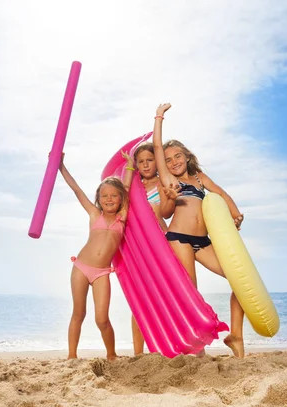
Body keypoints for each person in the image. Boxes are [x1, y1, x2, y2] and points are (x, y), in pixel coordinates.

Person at [152, 103, 246, 358]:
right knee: (190, 291)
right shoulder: (171, 181)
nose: (173, 162)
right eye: (169, 160)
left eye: (178, 156)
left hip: (203, 241)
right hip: (179, 239)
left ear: (187, 156)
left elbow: (222, 194)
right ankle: (197, 347)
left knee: (240, 281)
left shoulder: (200, 178)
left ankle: (235, 335)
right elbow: (157, 148)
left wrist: (236, 215)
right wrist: (159, 117)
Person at [58, 152, 134, 360]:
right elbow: (76, 190)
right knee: (78, 313)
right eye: (104, 196)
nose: (109, 199)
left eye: (114, 195)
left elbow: (126, 189)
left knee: (102, 319)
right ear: (99, 199)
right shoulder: (94, 214)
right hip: (81, 268)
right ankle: (72, 356)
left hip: (102, 272)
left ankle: (112, 355)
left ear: (120, 199)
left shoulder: (122, 217)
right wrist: (61, 166)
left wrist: (129, 167)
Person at [129, 142, 174, 355]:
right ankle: (139, 354)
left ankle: (169, 346)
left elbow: (165, 213)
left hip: (162, 243)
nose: (146, 165)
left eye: (149, 160)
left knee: (166, 297)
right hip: (140, 246)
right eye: (141, 162)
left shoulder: (162, 183)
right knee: (140, 300)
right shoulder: (132, 186)